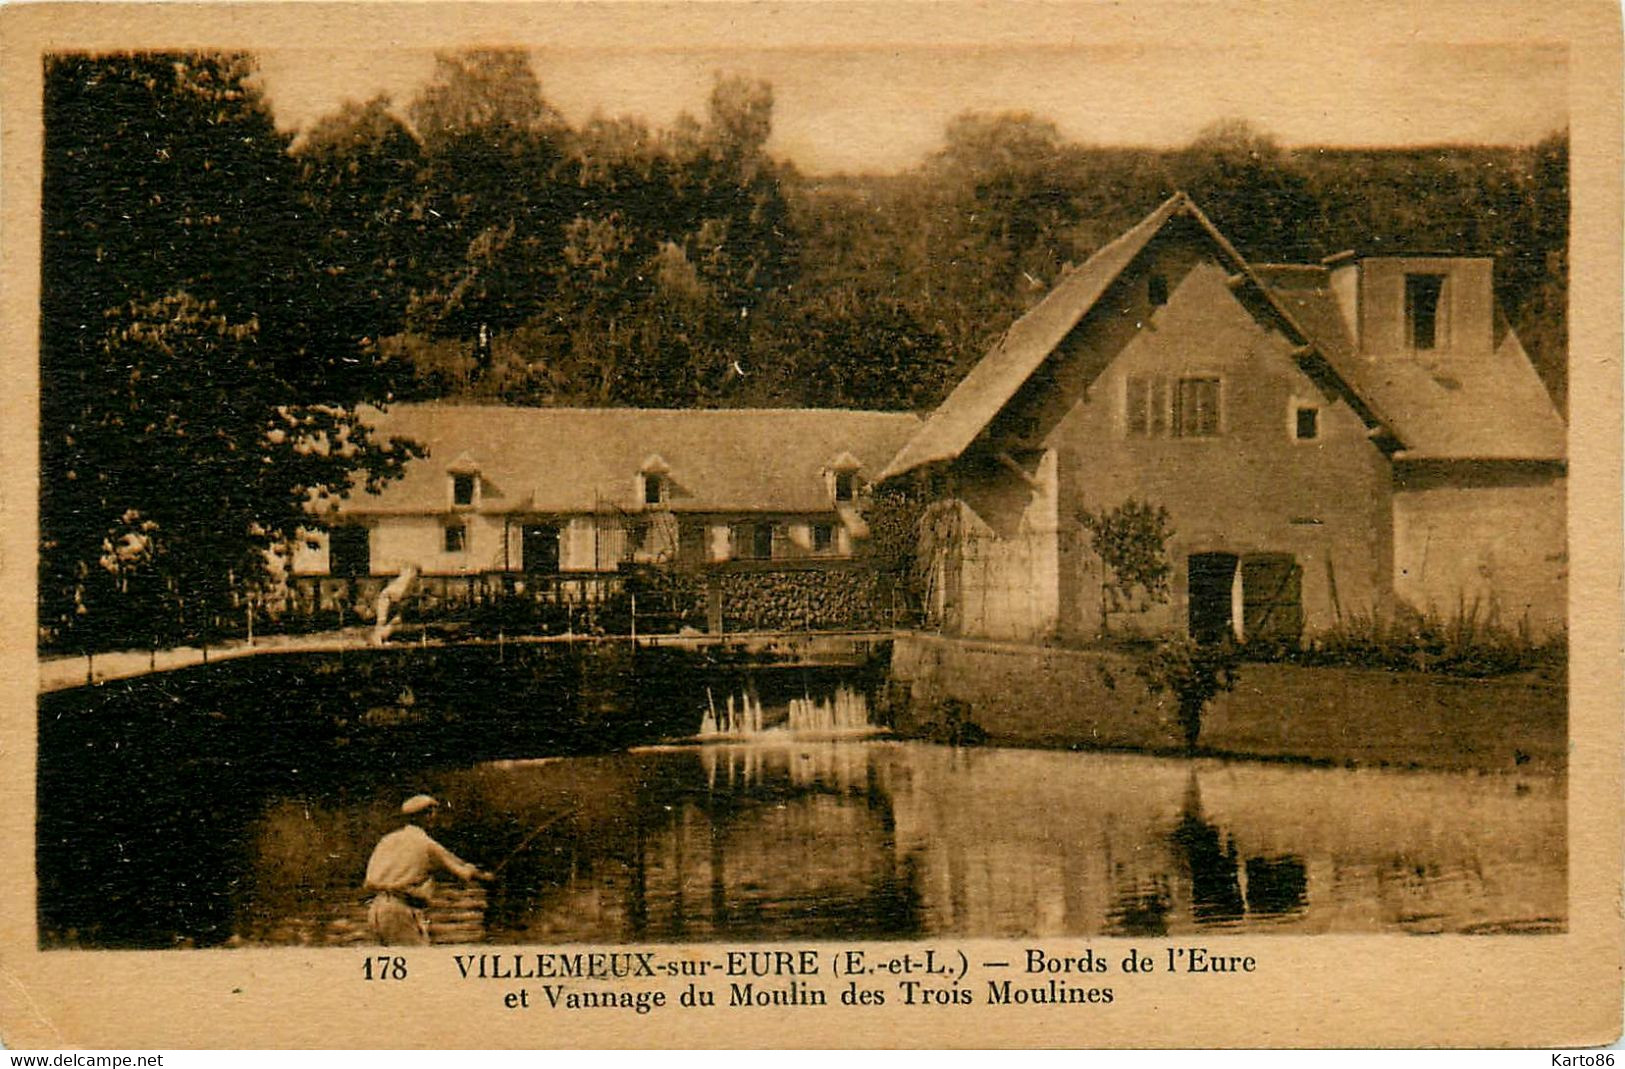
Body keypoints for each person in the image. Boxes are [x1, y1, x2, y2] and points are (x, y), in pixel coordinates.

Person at [364, 794, 493, 946]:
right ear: (428, 815)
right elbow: (462, 872)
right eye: (433, 813)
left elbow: (369, 880)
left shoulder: (387, 840)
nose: (435, 818)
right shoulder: (426, 844)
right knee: (418, 963)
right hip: (401, 911)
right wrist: (487, 877)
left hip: (376, 910)